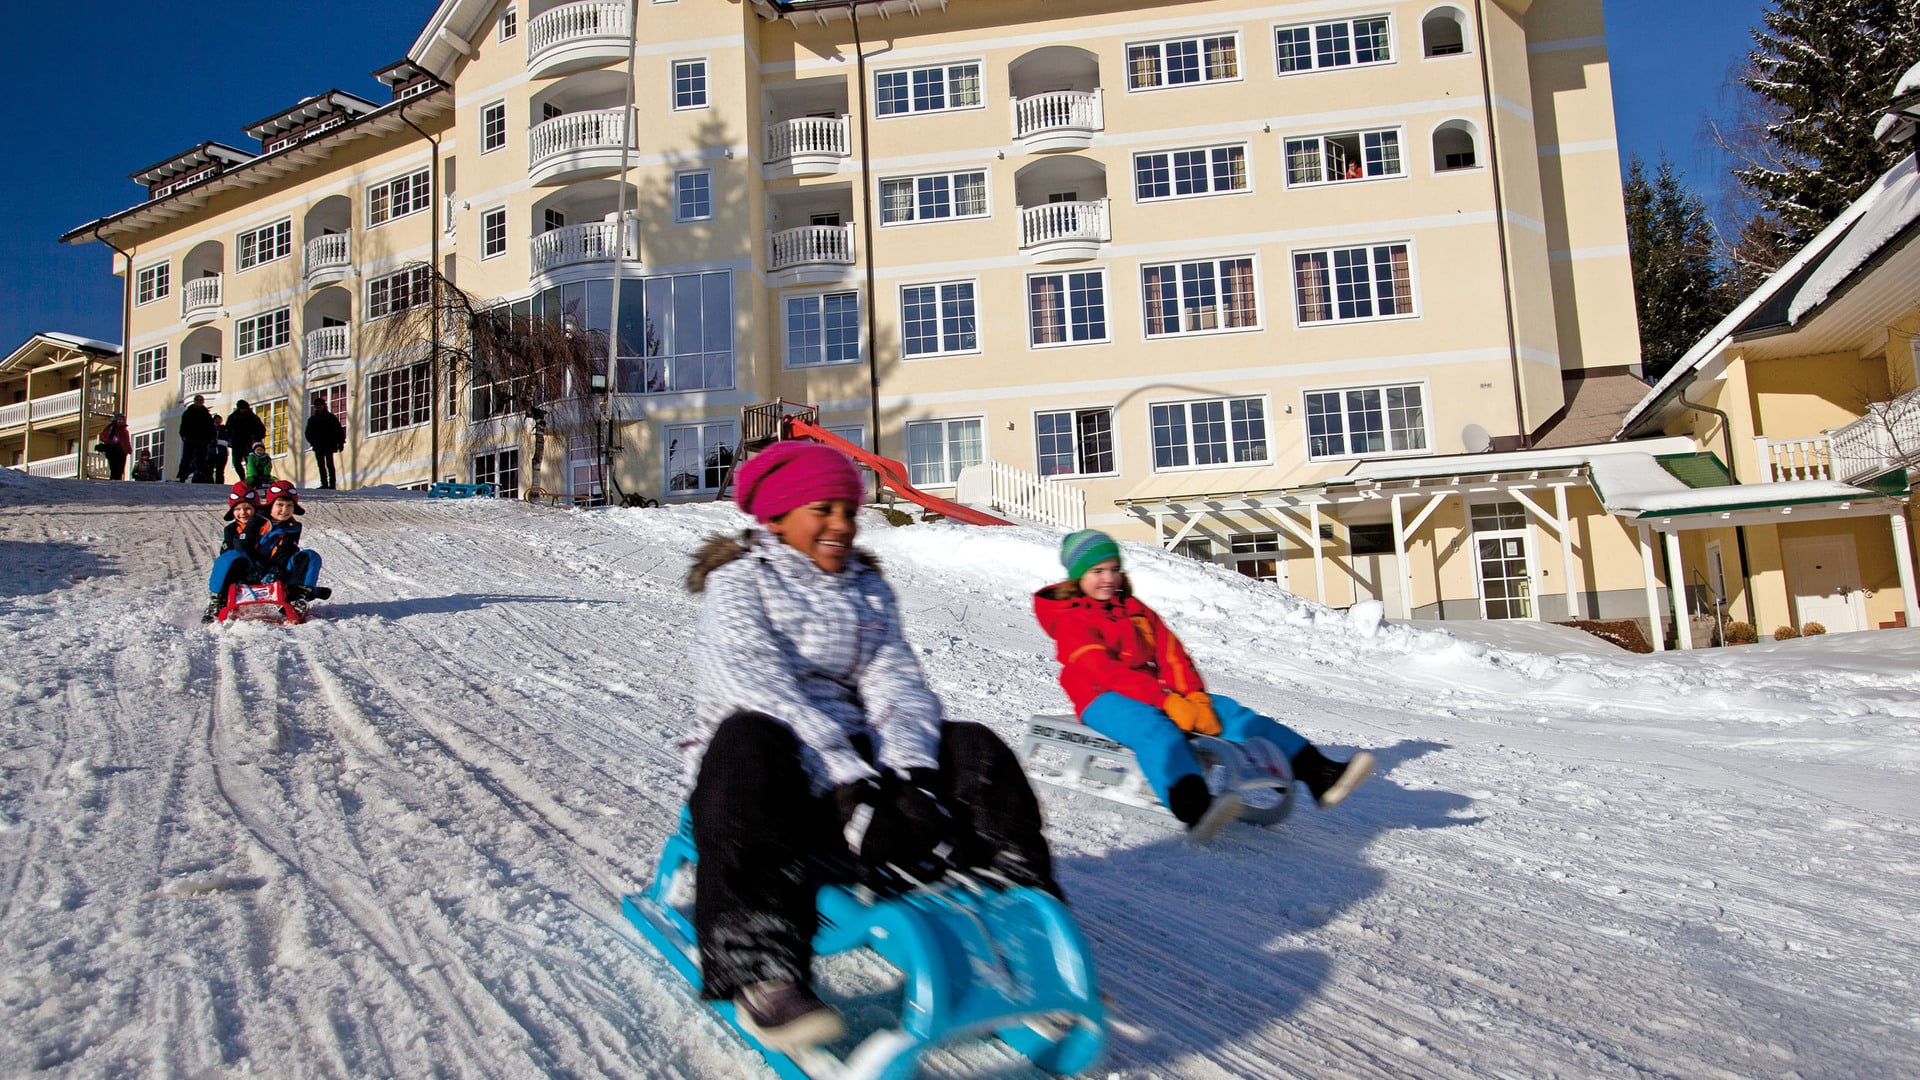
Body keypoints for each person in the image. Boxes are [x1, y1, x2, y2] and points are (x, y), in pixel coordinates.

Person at [683, 441, 1058, 1054]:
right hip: (777, 773)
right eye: (821, 509)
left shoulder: (866, 590)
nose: (841, 525)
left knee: (975, 748)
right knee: (747, 739)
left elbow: (896, 683)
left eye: (849, 511)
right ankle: (761, 968)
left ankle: (1024, 934)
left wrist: (908, 775)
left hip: (863, 770)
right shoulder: (740, 584)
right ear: (776, 517)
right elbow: (752, 683)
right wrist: (846, 783)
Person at [1034, 530, 1375, 845]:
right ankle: (1194, 809)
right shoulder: (1071, 617)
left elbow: (1172, 656)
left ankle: (1320, 773)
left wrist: (1193, 697)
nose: (1108, 578)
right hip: (1100, 697)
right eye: (1097, 571)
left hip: (1152, 692)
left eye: (1113, 569)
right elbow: (1102, 670)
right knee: (1155, 731)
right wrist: (1164, 701)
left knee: (1229, 713)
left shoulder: (1136, 611)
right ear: (1078, 577)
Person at [252, 481, 331, 614]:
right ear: (271, 505)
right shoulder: (257, 521)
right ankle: (313, 592)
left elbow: (286, 550)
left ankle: (300, 595)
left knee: (311, 556)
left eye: (290, 506)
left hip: (281, 569)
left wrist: (277, 570)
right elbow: (246, 546)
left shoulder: (293, 527)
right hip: (255, 569)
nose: (285, 510)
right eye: (280, 505)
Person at [203, 487, 268, 622]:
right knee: (229, 557)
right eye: (237, 509)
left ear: (255, 509)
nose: (242, 513)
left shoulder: (264, 526)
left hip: (261, 568)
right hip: (239, 569)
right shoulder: (231, 529)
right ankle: (217, 599)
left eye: (247, 508)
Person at [305, 398, 344, 490]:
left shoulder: (330, 417)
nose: (319, 407)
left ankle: (332, 484)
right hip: (318, 445)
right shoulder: (312, 419)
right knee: (321, 465)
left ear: (324, 406)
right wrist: (313, 442)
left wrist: (340, 442)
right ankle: (324, 484)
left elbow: (338, 430)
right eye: (317, 405)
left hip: (329, 444)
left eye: (320, 405)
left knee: (329, 464)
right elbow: (308, 433)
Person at [224, 399, 265, 478]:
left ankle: (252, 477)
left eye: (245, 408)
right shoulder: (233, 417)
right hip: (237, 442)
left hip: (249, 442)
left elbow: (261, 429)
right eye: (242, 408)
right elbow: (227, 430)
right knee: (236, 462)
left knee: (250, 461)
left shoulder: (253, 418)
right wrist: (229, 439)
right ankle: (242, 478)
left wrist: (256, 438)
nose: (243, 410)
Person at [177, 394, 213, 482]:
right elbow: (183, 425)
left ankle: (202, 476)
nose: (199, 402)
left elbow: (210, 427)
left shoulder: (206, 414)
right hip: (190, 438)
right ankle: (182, 476)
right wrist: (183, 435)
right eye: (197, 400)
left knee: (201, 458)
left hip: (202, 439)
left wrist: (209, 438)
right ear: (194, 401)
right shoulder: (188, 413)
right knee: (187, 458)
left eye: (200, 400)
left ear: (203, 402)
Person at [96, 413, 132, 481]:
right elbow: (103, 436)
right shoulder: (112, 427)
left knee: (120, 468)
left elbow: (126, 441)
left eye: (123, 419)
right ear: (117, 420)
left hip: (122, 451)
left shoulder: (124, 430)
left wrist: (128, 449)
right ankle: (113, 480)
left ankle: (117, 480)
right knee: (114, 467)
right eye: (120, 419)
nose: (122, 421)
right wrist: (111, 441)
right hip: (113, 449)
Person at [209, 413, 234, 484]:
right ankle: (210, 484)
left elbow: (229, 442)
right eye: (216, 420)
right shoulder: (210, 429)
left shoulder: (224, 430)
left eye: (219, 420)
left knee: (220, 470)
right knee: (210, 469)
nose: (217, 422)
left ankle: (219, 484)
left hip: (222, 453)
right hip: (211, 452)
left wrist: (217, 441)